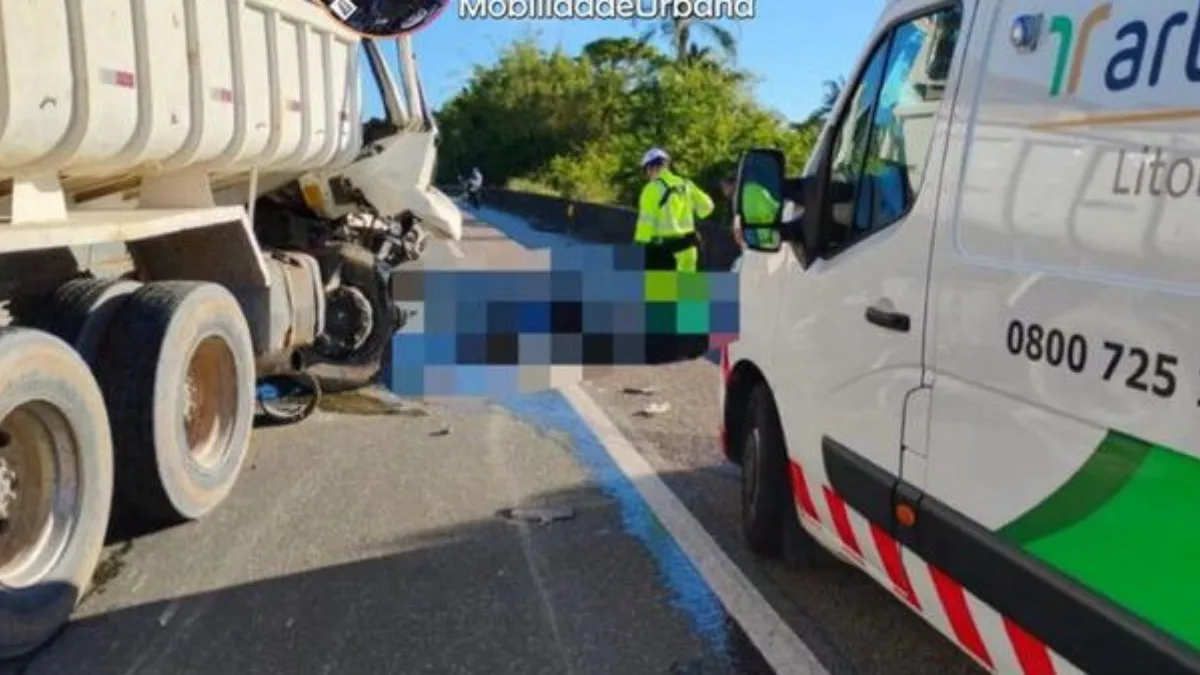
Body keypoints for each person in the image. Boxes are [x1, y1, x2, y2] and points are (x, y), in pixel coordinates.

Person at [634, 148, 713, 273]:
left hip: (662, 249)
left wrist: (639, 244)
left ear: (651, 168)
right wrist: (694, 215)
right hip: (688, 245)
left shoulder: (652, 189)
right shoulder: (686, 184)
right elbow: (708, 206)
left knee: (661, 290)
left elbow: (646, 222)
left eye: (646, 171)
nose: (647, 175)